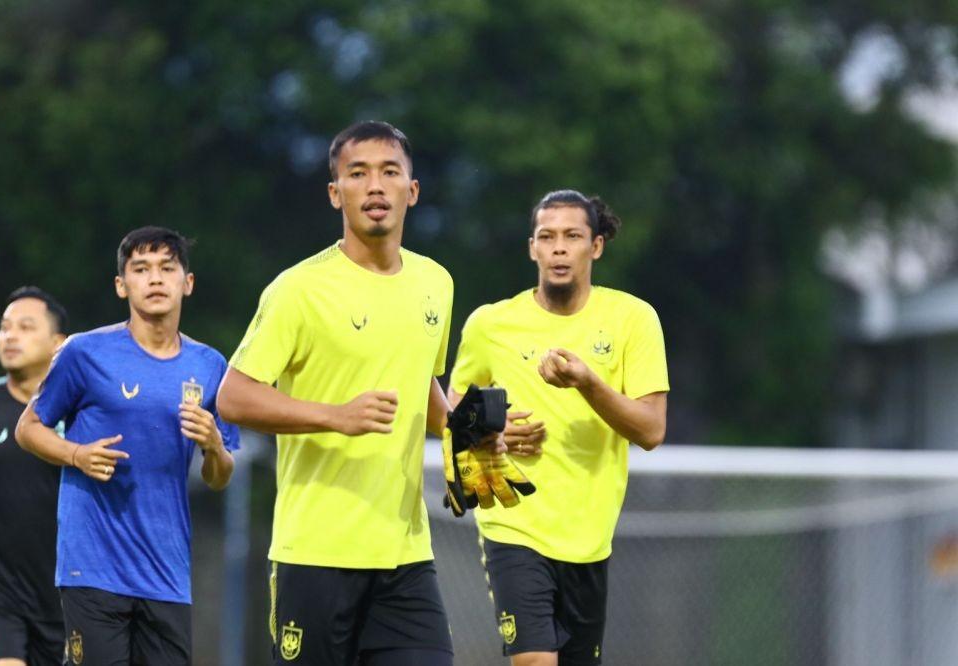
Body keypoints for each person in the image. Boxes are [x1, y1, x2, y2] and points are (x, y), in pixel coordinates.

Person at [218, 120, 468, 666]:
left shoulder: (437, 283)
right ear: (336, 193)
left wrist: (464, 434)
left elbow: (419, 377)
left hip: (405, 555)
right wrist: (334, 416)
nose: (375, 186)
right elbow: (233, 397)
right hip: (315, 553)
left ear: (413, 190)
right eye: (358, 174)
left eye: (389, 172)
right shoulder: (298, 290)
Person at [448, 190, 669, 666]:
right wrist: (494, 433)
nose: (559, 248)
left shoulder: (633, 319)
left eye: (573, 236)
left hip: (589, 537)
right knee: (534, 660)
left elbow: (651, 430)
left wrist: (589, 383)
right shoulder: (490, 324)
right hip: (513, 525)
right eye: (547, 237)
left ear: (596, 247)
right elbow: (452, 417)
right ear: (532, 248)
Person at [15, 227, 239, 666]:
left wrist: (214, 445)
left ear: (186, 283)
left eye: (167, 268)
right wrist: (77, 455)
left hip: (166, 573)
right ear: (122, 285)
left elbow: (220, 476)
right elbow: (29, 427)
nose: (155, 279)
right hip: (92, 569)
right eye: (141, 269)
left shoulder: (210, 366)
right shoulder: (84, 353)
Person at [0, 287, 68, 666]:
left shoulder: (85, 413)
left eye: (25, 327)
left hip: (64, 591)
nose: (10, 336)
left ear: (59, 343)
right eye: (4, 328)